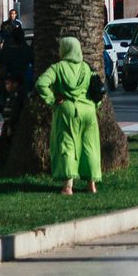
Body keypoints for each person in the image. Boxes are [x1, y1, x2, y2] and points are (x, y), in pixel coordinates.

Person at [35, 36, 101, 195]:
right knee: (90, 146)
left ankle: (68, 186)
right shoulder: (86, 67)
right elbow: (98, 89)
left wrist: (52, 100)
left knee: (67, 145)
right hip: (88, 110)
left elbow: (41, 83)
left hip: (67, 110)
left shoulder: (57, 68)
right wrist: (94, 105)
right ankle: (91, 185)